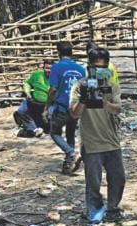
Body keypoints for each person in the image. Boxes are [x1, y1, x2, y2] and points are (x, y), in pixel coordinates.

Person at [69, 46, 126, 226]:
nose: (99, 71)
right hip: (91, 142)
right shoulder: (79, 86)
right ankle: (94, 215)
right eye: (96, 67)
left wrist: (104, 102)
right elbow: (74, 114)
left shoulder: (111, 86)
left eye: (102, 67)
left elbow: (117, 109)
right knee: (93, 183)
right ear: (89, 67)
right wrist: (84, 99)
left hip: (111, 139)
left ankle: (113, 208)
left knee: (118, 178)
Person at [47, 41, 86, 175]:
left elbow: (53, 88)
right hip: (75, 107)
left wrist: (47, 106)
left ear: (58, 52)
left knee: (55, 132)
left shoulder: (57, 67)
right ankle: (69, 164)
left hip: (62, 106)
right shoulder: (80, 69)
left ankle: (71, 153)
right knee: (70, 133)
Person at [13, 60, 51, 137]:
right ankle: (33, 129)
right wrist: (28, 93)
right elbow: (27, 83)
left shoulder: (57, 78)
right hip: (32, 100)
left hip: (46, 104)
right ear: (43, 68)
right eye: (47, 68)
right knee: (21, 111)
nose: (49, 70)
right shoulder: (36, 74)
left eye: (51, 69)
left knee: (48, 125)